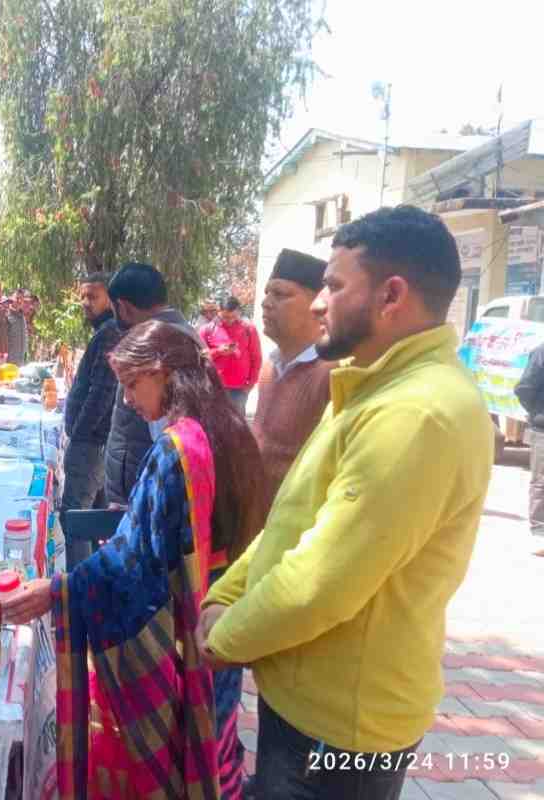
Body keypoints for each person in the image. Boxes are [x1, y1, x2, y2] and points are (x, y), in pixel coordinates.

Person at [198, 205, 494, 800]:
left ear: (391, 296)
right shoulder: (371, 385)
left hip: (338, 728)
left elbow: (323, 579)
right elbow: (292, 521)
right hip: (306, 698)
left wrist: (224, 638)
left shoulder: (417, 413)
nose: (317, 303)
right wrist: (225, 595)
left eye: (333, 286)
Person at [3, 320, 266, 800]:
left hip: (179, 631)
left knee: (174, 756)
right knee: (213, 734)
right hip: (219, 616)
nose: (126, 400)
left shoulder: (176, 449)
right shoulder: (231, 431)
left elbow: (136, 561)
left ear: (162, 371)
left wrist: (59, 590)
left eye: (131, 384)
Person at [103, 262, 201, 507]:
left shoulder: (161, 343)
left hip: (145, 492)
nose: (127, 398)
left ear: (123, 307)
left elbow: (167, 434)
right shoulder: (180, 334)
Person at [253, 249, 335, 500]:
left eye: (280, 294)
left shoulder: (334, 372)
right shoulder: (271, 364)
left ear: (317, 304)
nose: (266, 303)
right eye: (267, 293)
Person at [61, 273, 120, 566]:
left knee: (76, 520)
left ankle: (77, 586)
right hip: (95, 441)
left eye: (93, 297)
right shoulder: (105, 330)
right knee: (93, 521)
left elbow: (102, 392)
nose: (85, 302)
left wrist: (80, 433)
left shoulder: (110, 333)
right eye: (83, 296)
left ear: (111, 299)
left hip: (91, 443)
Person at [200, 296, 262, 413]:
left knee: (236, 423)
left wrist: (250, 384)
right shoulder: (207, 330)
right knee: (214, 422)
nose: (230, 320)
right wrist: (218, 351)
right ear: (219, 312)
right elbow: (200, 356)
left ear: (239, 312)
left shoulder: (249, 329)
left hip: (239, 390)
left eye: (234, 317)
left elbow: (256, 358)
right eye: (225, 317)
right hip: (214, 387)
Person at [514, 341, 544, 556]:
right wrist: (539, 413)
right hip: (543, 429)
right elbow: (524, 389)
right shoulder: (542, 352)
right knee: (542, 481)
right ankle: (540, 533)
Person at [4, 291, 28, 367]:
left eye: (21, 299)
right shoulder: (6, 315)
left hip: (21, 361)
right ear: (11, 298)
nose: (19, 301)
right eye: (17, 298)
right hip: (9, 361)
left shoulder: (22, 318)